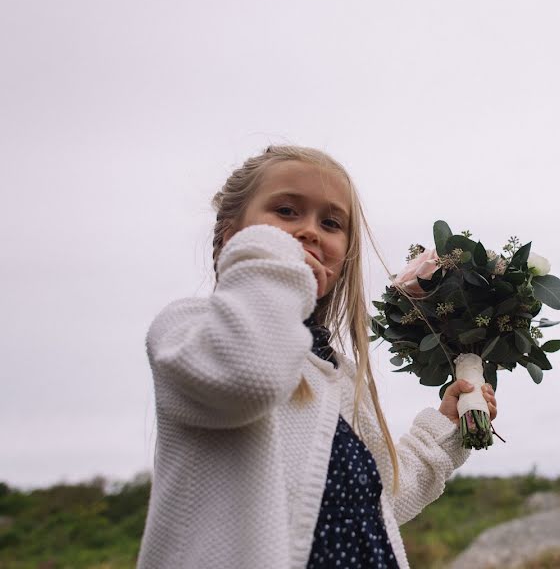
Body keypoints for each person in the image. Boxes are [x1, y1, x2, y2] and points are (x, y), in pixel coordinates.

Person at [137, 145, 498, 569]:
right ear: (233, 235)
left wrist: (446, 427)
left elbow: (376, 504)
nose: (309, 231)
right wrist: (271, 258)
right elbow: (246, 375)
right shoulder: (189, 330)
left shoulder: (337, 374)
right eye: (286, 211)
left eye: (330, 222)